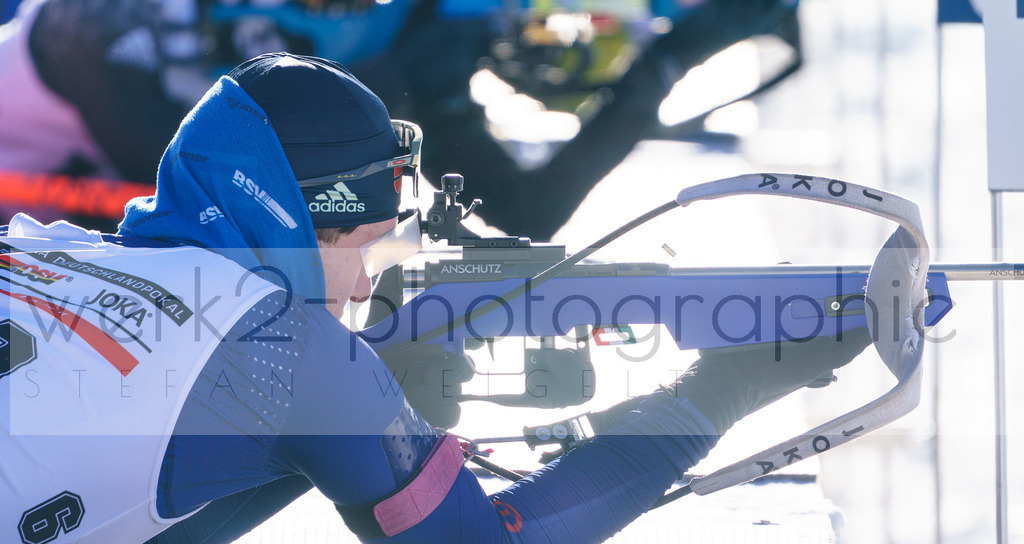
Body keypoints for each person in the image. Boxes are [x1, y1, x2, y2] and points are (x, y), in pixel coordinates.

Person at [0, 53, 866, 544]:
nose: (369, 280)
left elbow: (150, 532)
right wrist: (727, 389)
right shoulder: (285, 350)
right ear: (300, 224)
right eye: (364, 248)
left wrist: (360, 405)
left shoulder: (63, 249)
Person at [0, 0, 800, 239]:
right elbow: (199, 182)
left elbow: (519, 215)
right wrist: (383, 85)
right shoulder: (99, 27)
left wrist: (658, 71)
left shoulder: (416, 45)